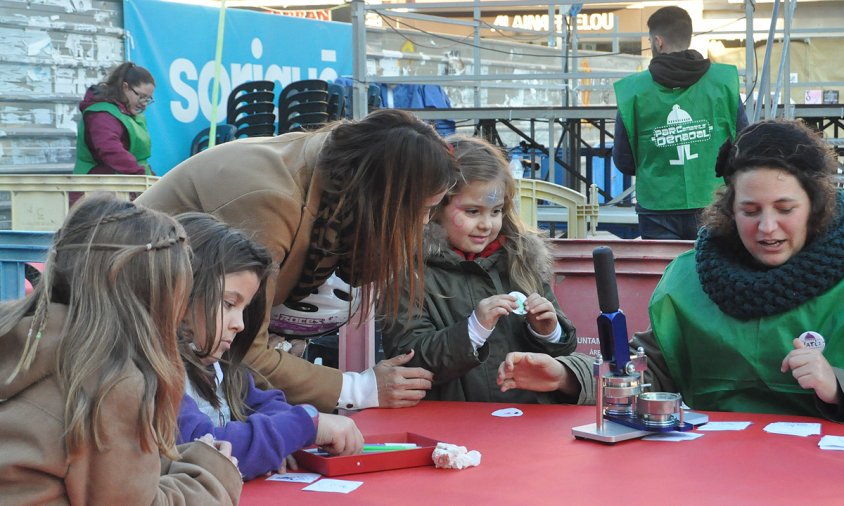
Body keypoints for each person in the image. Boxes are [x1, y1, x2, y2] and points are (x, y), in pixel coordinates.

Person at [499, 120, 844, 420]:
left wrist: (836, 384)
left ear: (817, 206)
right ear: (729, 209)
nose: (767, 227)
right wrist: (567, 376)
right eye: (750, 211)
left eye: (785, 209)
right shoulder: (690, 277)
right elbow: (648, 370)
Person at [137, 108, 457, 412]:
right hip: (137, 331)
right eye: (422, 210)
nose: (425, 224)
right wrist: (359, 389)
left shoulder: (334, 173)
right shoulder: (270, 203)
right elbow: (241, 349)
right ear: (384, 199)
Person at [0, 195, 241, 504]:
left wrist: (192, 460)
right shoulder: (109, 379)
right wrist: (214, 476)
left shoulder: (25, 340)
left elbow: (94, 471)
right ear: (156, 300)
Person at [380, 135, 583, 403]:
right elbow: (408, 359)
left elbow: (560, 354)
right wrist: (472, 331)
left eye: (496, 211)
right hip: (452, 424)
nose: (486, 224)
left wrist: (549, 330)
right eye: (473, 212)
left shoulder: (521, 261)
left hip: (529, 421)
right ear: (436, 208)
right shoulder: (410, 272)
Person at [175, 212, 363, 480]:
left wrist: (279, 438)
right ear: (182, 293)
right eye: (229, 304)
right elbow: (202, 448)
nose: (239, 324)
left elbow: (267, 404)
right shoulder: (154, 373)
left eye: (244, 309)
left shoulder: (220, 367)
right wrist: (307, 424)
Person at [612, 6, 749, 240]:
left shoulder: (633, 91)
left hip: (657, 206)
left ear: (658, 41)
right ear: (688, 37)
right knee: (711, 273)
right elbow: (745, 145)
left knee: (665, 274)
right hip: (713, 202)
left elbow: (624, 161)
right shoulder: (723, 83)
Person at [74, 61, 156, 177]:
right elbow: (111, 150)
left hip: (127, 183)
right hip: (98, 187)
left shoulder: (130, 114)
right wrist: (140, 174)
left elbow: (140, 159)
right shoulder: (101, 114)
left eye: (148, 99)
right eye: (141, 97)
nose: (144, 104)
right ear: (125, 87)